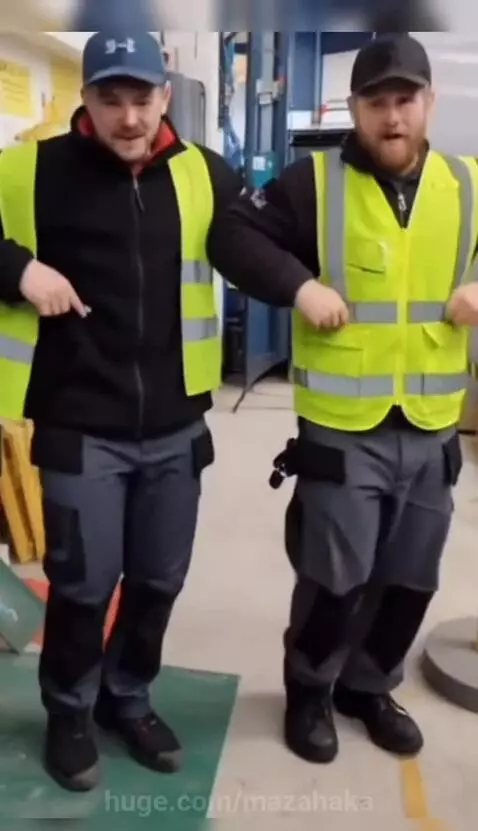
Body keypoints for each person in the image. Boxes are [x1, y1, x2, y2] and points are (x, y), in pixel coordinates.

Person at [207, 33, 478, 764]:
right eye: (376, 102)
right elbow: (229, 235)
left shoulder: (469, 184)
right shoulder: (312, 184)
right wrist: (300, 286)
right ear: (353, 108)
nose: (392, 117)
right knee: (334, 579)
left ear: (430, 102)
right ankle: (311, 693)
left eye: (406, 100)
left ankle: (368, 688)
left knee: (411, 580)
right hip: (342, 428)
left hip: (430, 427)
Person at [0, 31, 241, 791]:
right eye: (112, 98)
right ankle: (69, 709)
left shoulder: (203, 174)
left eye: (143, 98)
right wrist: (18, 268)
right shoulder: (30, 170)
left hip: (175, 427)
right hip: (77, 425)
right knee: (82, 583)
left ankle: (127, 697)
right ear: (87, 100)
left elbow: (271, 237)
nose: (129, 117)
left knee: (159, 580)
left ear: (166, 97)